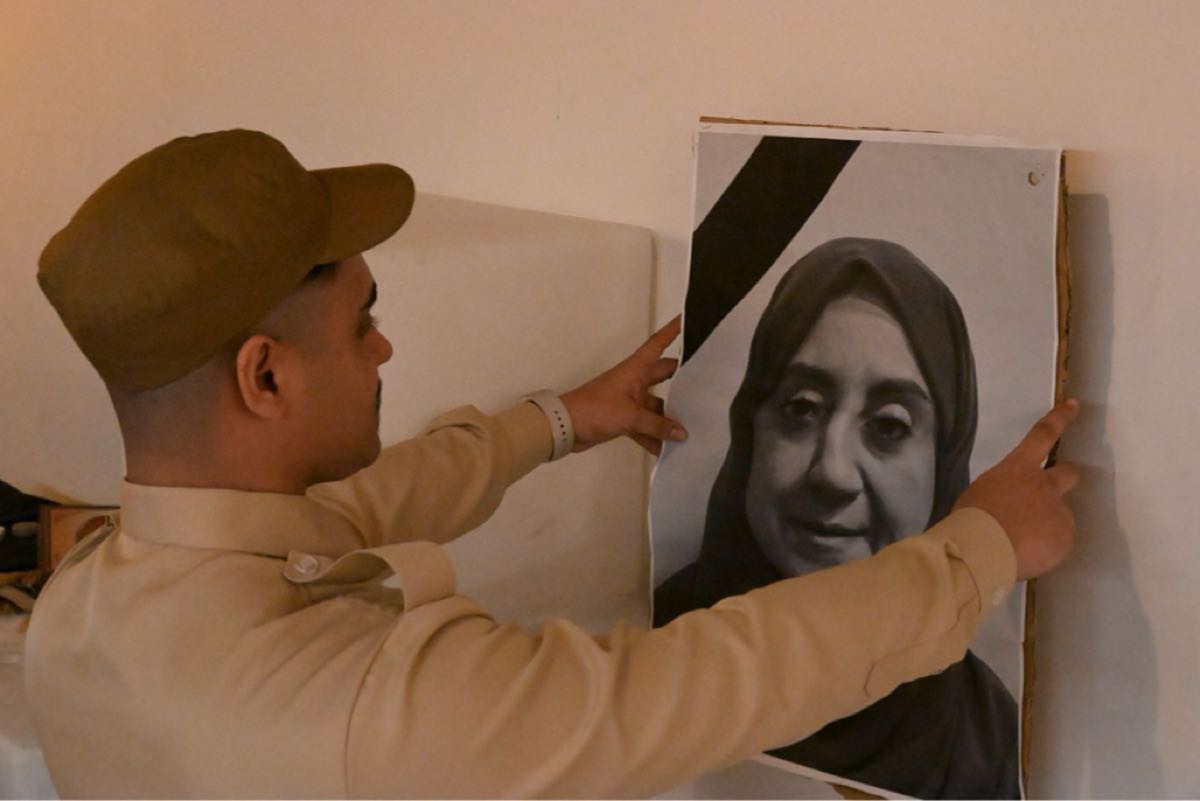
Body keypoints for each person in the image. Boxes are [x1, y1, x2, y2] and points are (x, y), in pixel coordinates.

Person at [24, 129, 1079, 798]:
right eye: (360, 325)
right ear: (265, 376)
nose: (383, 350)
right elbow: (711, 676)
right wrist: (980, 546)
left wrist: (565, 420)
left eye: (890, 424)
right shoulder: (360, 707)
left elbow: (372, 502)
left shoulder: (81, 603)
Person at [655, 237, 1018, 798]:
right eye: (801, 407)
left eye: (889, 425)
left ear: (943, 460)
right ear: (751, 429)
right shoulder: (651, 656)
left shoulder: (984, 739)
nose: (833, 472)